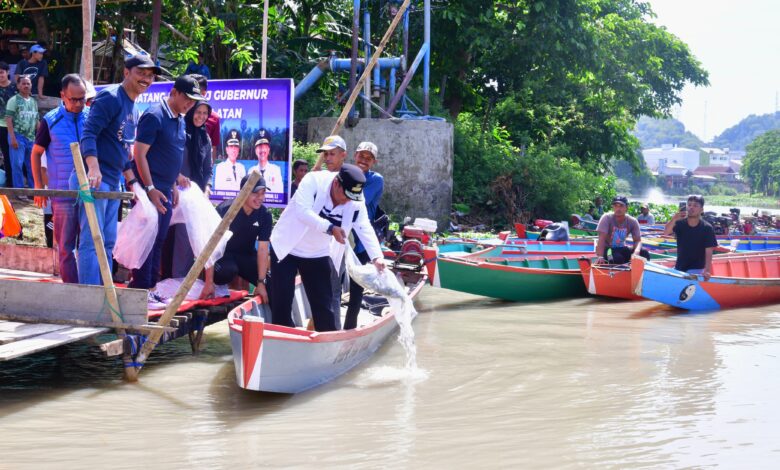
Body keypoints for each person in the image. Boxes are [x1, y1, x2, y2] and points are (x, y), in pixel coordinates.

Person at [269, 164, 385, 332]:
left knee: (324, 306)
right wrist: (330, 228)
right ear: (336, 183)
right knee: (282, 303)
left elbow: (363, 225)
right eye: (345, 196)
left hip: (317, 252)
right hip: (287, 247)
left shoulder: (355, 200)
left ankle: (327, 345)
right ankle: (282, 340)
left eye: (351, 198)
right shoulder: (313, 181)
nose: (347, 201)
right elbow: (303, 212)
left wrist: (377, 257)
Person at [77, 53, 159, 285]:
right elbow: (89, 133)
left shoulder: (133, 106)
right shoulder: (111, 97)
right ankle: (89, 294)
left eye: (150, 75)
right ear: (126, 72)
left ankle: (103, 291)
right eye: (141, 73)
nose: (146, 79)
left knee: (109, 240)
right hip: (95, 178)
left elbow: (122, 149)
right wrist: (93, 167)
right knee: (92, 239)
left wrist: (134, 183)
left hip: (114, 180)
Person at [128, 75, 203, 296]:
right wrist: (150, 189)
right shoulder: (154, 115)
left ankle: (151, 288)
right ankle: (140, 290)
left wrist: (171, 184)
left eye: (193, 100)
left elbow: (168, 156)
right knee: (146, 241)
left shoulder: (180, 118)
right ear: (174, 92)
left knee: (159, 240)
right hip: (149, 189)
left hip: (166, 189)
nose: (190, 104)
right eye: (187, 98)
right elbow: (139, 155)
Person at [30, 74, 88, 283]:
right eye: (74, 99)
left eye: (82, 98)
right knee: (65, 246)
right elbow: (36, 153)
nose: (79, 104)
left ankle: (90, 287)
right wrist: (39, 186)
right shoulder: (50, 121)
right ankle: (71, 288)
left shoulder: (91, 117)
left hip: (90, 193)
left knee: (90, 244)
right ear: (62, 95)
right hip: (62, 194)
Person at [200, 175, 273, 301]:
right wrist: (209, 282)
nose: (260, 198)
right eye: (256, 193)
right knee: (228, 271)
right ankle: (210, 283)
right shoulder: (225, 210)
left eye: (263, 193)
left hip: (246, 255)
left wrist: (261, 282)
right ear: (243, 193)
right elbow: (211, 246)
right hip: (224, 256)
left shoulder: (264, 215)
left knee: (272, 285)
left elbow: (262, 249)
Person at [167, 99, 214, 279]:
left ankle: (182, 280)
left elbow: (209, 168)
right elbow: (169, 158)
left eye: (205, 113)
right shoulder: (180, 132)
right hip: (175, 190)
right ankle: (169, 278)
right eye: (198, 112)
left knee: (189, 238)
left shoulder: (205, 138)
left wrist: (207, 188)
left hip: (195, 195)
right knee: (172, 237)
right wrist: (176, 176)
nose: (201, 117)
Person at [344, 141, 384, 330]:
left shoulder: (376, 180)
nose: (364, 160)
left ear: (373, 162)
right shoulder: (344, 173)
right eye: (361, 156)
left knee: (356, 286)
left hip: (361, 240)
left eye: (368, 158)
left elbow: (354, 195)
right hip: (341, 236)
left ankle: (350, 326)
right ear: (355, 156)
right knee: (334, 281)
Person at [663, 195, 718, 280]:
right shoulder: (680, 223)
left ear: (702, 210)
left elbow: (709, 251)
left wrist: (707, 270)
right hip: (679, 267)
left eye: (695, 205)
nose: (691, 208)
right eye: (689, 205)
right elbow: (666, 232)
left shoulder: (707, 228)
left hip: (697, 269)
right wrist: (674, 219)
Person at [5, 74, 37, 189]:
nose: (26, 86)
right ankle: (19, 191)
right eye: (23, 83)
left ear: (31, 85)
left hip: (31, 138)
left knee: (32, 165)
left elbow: (36, 119)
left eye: (28, 83)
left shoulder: (33, 101)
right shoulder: (13, 100)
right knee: (17, 165)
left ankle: (34, 191)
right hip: (17, 136)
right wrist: (12, 137)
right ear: (18, 86)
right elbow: (8, 119)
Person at [594, 195, 648, 265]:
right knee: (617, 259)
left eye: (621, 206)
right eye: (616, 206)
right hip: (608, 250)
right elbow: (601, 239)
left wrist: (636, 252)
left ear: (627, 207)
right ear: (613, 207)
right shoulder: (606, 218)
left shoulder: (632, 221)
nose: (618, 209)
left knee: (644, 252)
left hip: (621, 248)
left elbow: (637, 240)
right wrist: (600, 257)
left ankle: (640, 273)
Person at [190, 74, 219, 162]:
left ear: (203, 93)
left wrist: (208, 173)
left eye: (193, 93)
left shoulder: (214, 118)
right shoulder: (181, 114)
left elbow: (213, 148)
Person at [0, 61, 17, 187]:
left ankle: (11, 183)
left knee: (9, 156)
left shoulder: (15, 88)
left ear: (7, 73)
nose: (0, 75)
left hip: (10, 127)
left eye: (1, 72)